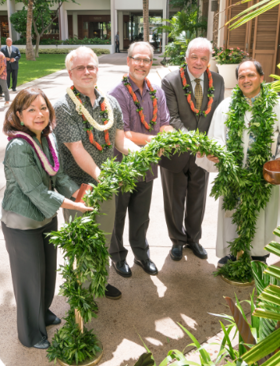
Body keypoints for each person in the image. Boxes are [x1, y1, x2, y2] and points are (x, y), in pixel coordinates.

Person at [1, 87, 92, 350]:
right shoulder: (19, 145)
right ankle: (30, 334)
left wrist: (78, 189)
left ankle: (43, 313)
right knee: (29, 280)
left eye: (43, 108)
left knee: (46, 275)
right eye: (31, 109)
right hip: (23, 222)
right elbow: (35, 191)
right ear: (18, 115)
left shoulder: (43, 138)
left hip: (45, 217)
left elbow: (57, 174)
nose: (39, 114)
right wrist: (73, 204)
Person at [195, 59, 280, 265]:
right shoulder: (226, 106)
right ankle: (231, 252)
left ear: (262, 77)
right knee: (232, 213)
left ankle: (259, 255)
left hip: (264, 175)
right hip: (234, 175)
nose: (246, 80)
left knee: (262, 213)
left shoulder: (278, 105)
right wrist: (216, 153)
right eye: (241, 76)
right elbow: (217, 137)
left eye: (251, 75)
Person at [54, 46, 140, 300]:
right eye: (79, 67)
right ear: (70, 74)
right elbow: (77, 150)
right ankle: (83, 292)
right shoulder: (64, 106)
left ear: (97, 70)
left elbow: (121, 142)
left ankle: (98, 283)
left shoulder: (110, 103)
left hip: (104, 183)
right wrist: (102, 179)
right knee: (82, 241)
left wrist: (146, 153)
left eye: (90, 66)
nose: (86, 71)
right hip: (77, 186)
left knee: (103, 237)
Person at [108, 42, 172, 277]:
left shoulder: (158, 92)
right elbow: (124, 135)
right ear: (128, 61)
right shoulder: (117, 94)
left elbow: (164, 123)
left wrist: (169, 136)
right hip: (124, 166)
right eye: (137, 59)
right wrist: (156, 141)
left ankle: (141, 255)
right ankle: (117, 256)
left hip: (148, 167)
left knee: (141, 215)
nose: (142, 64)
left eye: (146, 60)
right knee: (118, 215)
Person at [160, 37, 225, 262]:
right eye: (194, 57)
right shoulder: (170, 81)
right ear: (186, 57)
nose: (198, 62)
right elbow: (172, 117)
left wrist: (211, 145)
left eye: (203, 58)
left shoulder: (218, 80)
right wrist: (193, 140)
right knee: (174, 198)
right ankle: (177, 241)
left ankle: (194, 239)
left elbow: (218, 115)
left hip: (204, 153)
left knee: (198, 196)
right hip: (177, 151)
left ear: (209, 60)